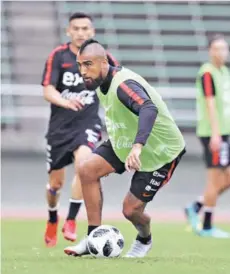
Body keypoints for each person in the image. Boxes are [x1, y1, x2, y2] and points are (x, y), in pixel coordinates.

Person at [64, 39, 186, 258]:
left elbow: (148, 108)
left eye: (88, 64)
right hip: (125, 142)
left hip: (160, 152)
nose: (83, 71)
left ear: (103, 63)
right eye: (80, 65)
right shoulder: (100, 84)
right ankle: (94, 239)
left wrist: (137, 147)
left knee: (131, 211)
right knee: (86, 170)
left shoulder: (123, 84)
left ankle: (144, 239)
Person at [41, 13, 119, 247]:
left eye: (85, 28)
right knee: (55, 184)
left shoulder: (104, 58)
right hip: (59, 127)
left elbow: (118, 84)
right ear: (68, 32)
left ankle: (72, 219)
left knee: (84, 165)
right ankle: (53, 217)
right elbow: (48, 90)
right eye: (76, 28)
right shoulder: (58, 56)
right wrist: (65, 102)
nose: (81, 32)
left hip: (87, 123)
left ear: (92, 32)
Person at [185, 34, 230, 238]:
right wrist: (215, 134)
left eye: (224, 48)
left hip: (225, 132)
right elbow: (210, 104)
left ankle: (196, 206)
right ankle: (208, 225)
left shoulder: (225, 72)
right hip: (214, 133)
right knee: (215, 179)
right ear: (210, 51)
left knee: (227, 178)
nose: (221, 52)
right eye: (217, 48)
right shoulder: (207, 73)